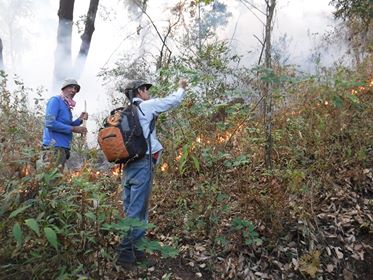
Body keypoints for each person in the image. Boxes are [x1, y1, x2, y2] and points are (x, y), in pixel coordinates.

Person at [117, 79, 188, 266]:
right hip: (143, 164)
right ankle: (125, 254)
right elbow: (172, 101)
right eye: (146, 89)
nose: (148, 92)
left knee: (131, 206)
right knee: (137, 210)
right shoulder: (146, 107)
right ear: (139, 91)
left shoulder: (124, 113)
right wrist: (181, 88)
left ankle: (138, 252)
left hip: (128, 164)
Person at [40, 78, 88, 170]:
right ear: (63, 88)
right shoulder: (55, 100)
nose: (74, 90)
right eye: (71, 87)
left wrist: (79, 120)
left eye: (76, 89)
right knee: (51, 179)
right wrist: (73, 128)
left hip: (63, 148)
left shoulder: (67, 106)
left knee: (57, 179)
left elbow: (67, 124)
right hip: (53, 148)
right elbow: (49, 123)